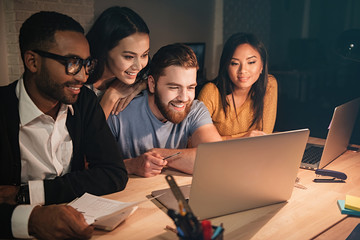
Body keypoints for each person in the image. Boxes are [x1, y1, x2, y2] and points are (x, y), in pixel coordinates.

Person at [0, 11, 128, 239]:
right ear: (33, 61)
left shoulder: (84, 103)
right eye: (72, 63)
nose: (83, 76)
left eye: (86, 64)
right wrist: (31, 219)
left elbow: (114, 173)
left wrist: (27, 194)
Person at [107, 43, 222, 177]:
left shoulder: (195, 109)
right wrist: (132, 165)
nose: (184, 98)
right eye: (174, 87)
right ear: (152, 84)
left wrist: (158, 154)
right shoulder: (119, 111)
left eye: (190, 87)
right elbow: (90, 166)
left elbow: (215, 158)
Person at [198, 32, 278, 140]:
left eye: (251, 62)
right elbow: (194, 140)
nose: (243, 70)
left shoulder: (269, 85)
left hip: (255, 152)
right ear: (226, 66)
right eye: (235, 63)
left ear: (262, 65)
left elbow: (264, 135)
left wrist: (224, 138)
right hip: (218, 155)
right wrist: (243, 138)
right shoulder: (211, 92)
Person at [86, 6, 150, 118]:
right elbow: (88, 134)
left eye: (144, 55)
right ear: (105, 50)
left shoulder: (145, 73)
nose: (139, 66)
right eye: (129, 57)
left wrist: (141, 85)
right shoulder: (80, 81)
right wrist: (111, 96)